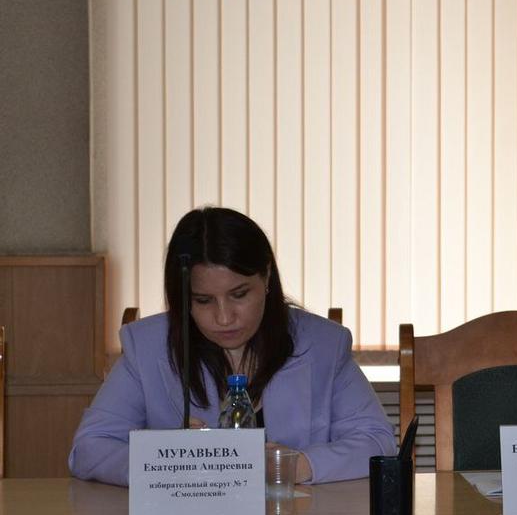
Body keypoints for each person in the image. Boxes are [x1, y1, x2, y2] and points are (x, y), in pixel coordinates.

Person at [69, 207, 397, 486]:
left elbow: (377, 441)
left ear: (266, 278)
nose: (224, 317)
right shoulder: (146, 346)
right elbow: (88, 450)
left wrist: (295, 465)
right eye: (203, 300)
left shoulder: (323, 343)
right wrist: (165, 460)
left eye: (239, 295)